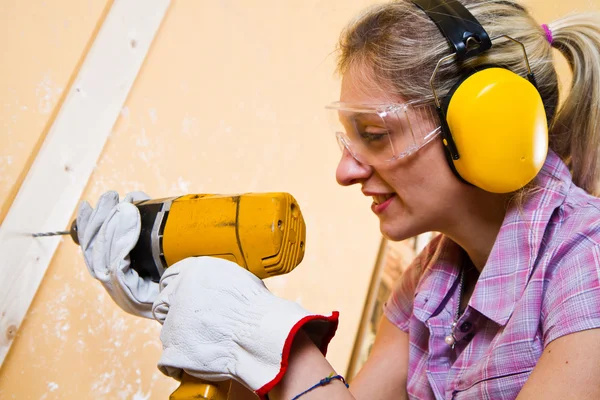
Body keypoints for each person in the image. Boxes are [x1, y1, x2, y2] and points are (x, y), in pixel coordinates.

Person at [77, 0, 600, 399]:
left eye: (375, 133)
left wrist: (277, 344)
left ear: (488, 128)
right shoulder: (428, 285)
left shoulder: (587, 264)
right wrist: (193, 315)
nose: (345, 171)